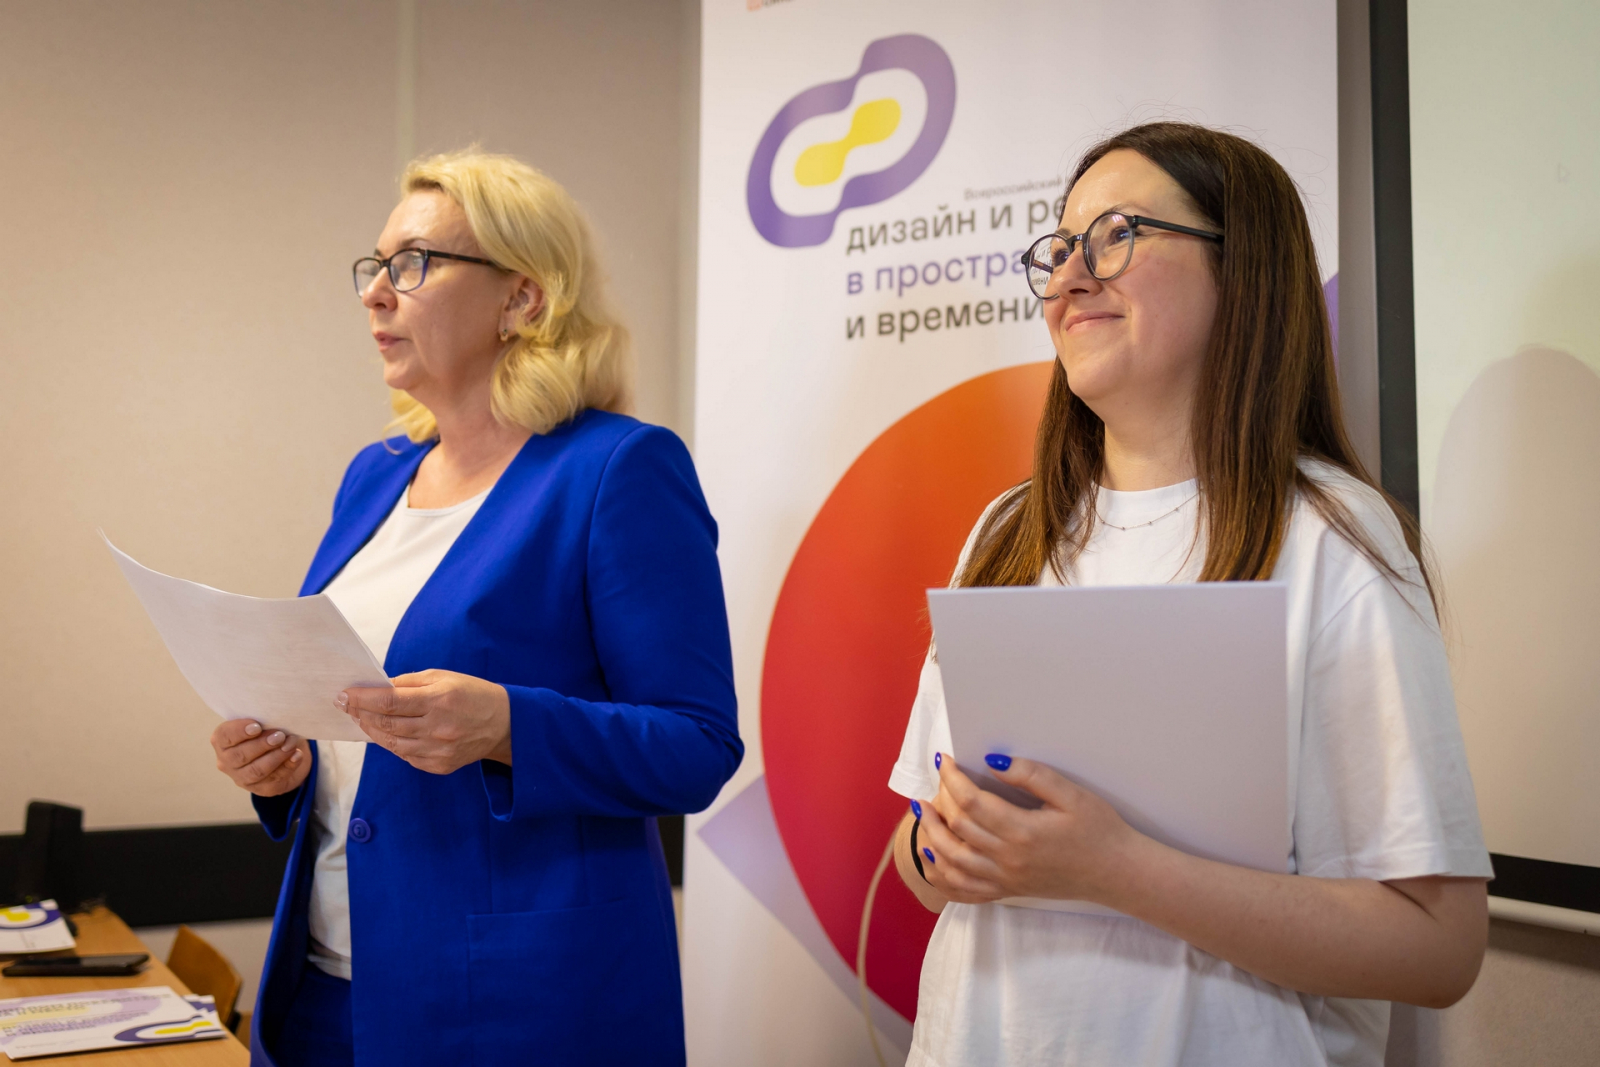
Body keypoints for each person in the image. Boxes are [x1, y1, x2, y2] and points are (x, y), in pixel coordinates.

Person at [888, 122, 1490, 1067]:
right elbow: (919, 864)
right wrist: (944, 844)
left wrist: (1116, 868)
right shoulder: (1009, 530)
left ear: (1242, 272)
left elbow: (1438, 947)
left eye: (1115, 235)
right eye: (1060, 247)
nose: (1069, 278)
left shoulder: (1333, 538)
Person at [208, 150, 741, 1066]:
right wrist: (283, 767)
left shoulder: (616, 469)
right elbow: (353, 726)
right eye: (374, 265)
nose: (376, 293)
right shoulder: (374, 475)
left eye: (413, 263)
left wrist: (508, 725)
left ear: (522, 298)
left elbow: (697, 744)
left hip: (515, 1007)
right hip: (324, 986)